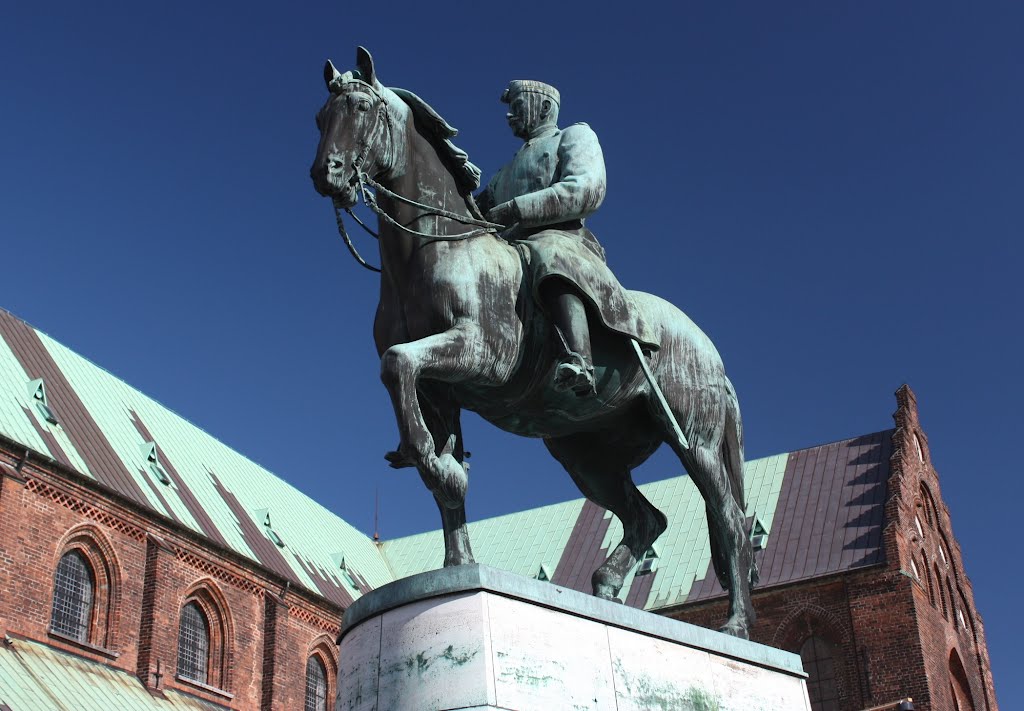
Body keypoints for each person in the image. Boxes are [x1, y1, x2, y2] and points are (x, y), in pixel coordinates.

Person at [477, 80, 654, 396]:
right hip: (509, 247)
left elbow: (586, 190)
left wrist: (514, 209)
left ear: (543, 108)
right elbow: (472, 214)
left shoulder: (574, 136)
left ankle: (578, 358)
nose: (509, 117)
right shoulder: (501, 175)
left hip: (562, 238)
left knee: (550, 253)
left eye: (516, 108)